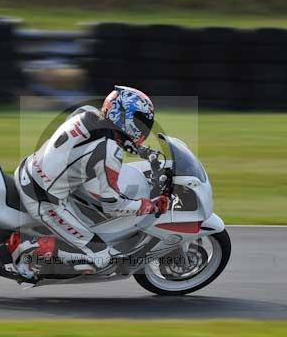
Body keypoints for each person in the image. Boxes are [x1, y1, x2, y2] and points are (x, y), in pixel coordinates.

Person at [11, 86, 169, 279]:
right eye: (139, 122)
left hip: (30, 169)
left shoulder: (87, 112)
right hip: (44, 199)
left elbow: (91, 145)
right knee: (102, 258)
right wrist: (147, 205)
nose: (143, 128)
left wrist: (142, 151)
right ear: (123, 115)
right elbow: (112, 205)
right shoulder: (110, 153)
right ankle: (30, 248)